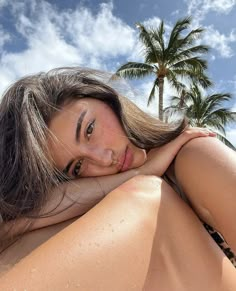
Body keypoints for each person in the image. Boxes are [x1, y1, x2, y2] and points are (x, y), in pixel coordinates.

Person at [0, 67, 236, 290]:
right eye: (78, 166)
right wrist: (139, 173)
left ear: (107, 100)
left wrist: (142, 179)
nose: (104, 159)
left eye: (89, 129)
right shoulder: (96, 207)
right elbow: (14, 225)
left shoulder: (193, 155)